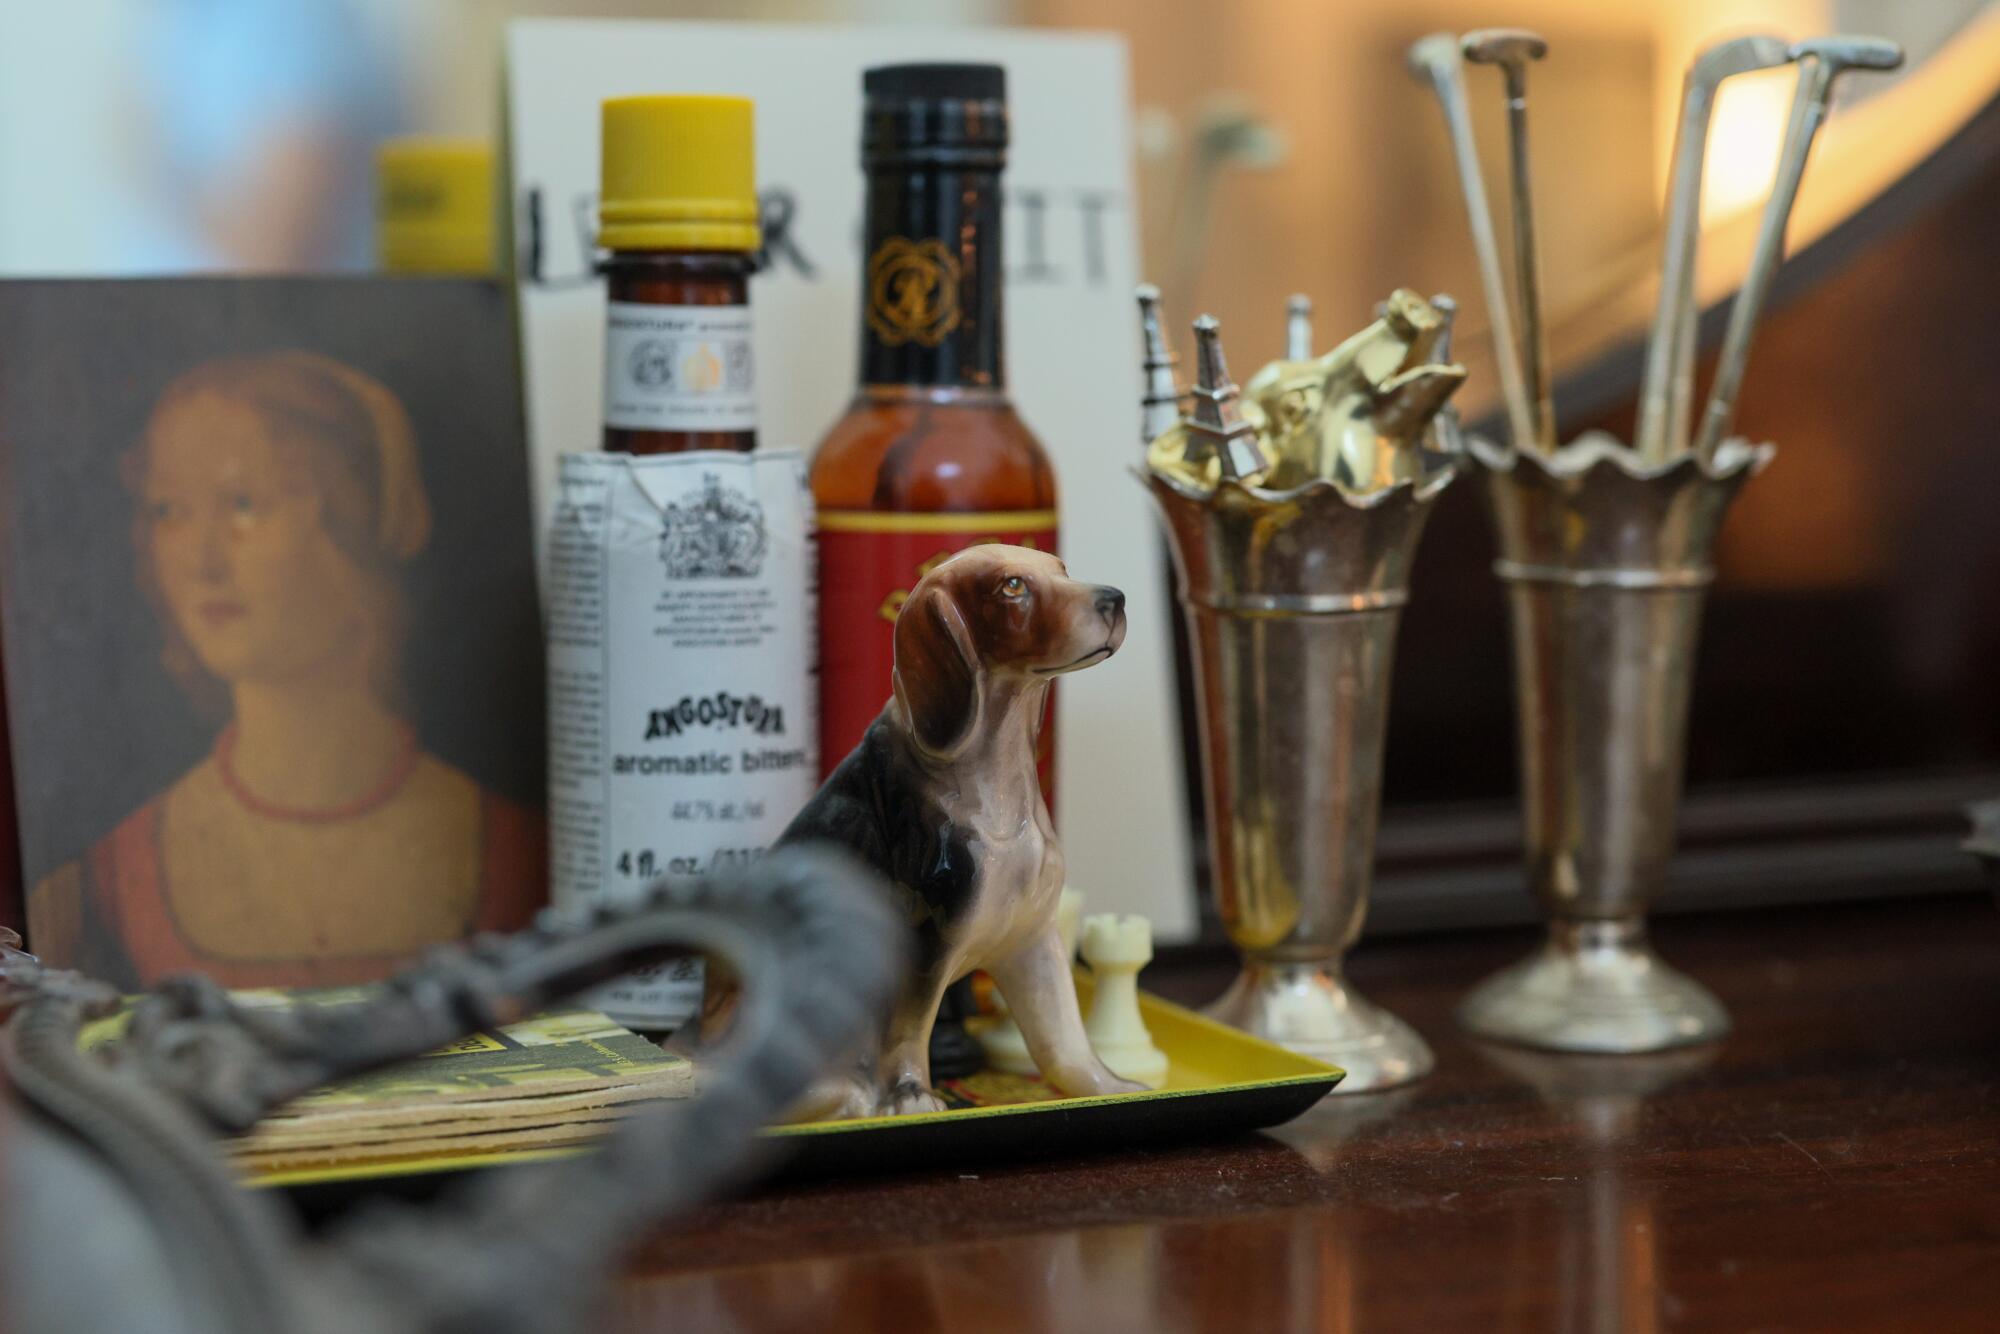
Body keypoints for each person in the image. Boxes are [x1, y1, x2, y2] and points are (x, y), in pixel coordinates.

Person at [26, 351, 543, 989]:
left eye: (244, 503)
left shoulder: (520, 855)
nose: (202, 561)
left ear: (353, 525)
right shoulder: (102, 882)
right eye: (169, 511)